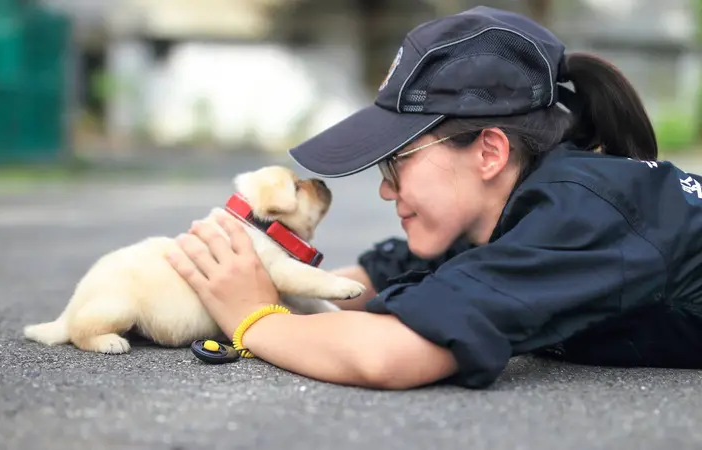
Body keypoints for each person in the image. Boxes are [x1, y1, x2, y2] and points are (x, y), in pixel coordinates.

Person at [165, 6, 702, 390]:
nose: (384, 189)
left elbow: (388, 354)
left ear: (489, 152)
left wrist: (257, 318)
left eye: (397, 164)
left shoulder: (580, 214)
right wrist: (237, 281)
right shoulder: (504, 211)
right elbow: (372, 281)